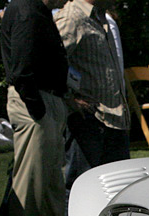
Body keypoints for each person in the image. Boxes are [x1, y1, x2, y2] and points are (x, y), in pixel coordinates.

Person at [1, 0, 79, 216]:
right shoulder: (26, 10)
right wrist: (38, 110)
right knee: (31, 184)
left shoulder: (36, 11)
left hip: (43, 102)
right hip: (35, 104)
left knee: (49, 187)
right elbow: (21, 69)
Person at [54, 0, 130, 179]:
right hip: (90, 120)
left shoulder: (98, 17)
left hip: (113, 120)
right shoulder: (72, 17)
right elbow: (47, 61)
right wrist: (69, 99)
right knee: (82, 188)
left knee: (119, 189)